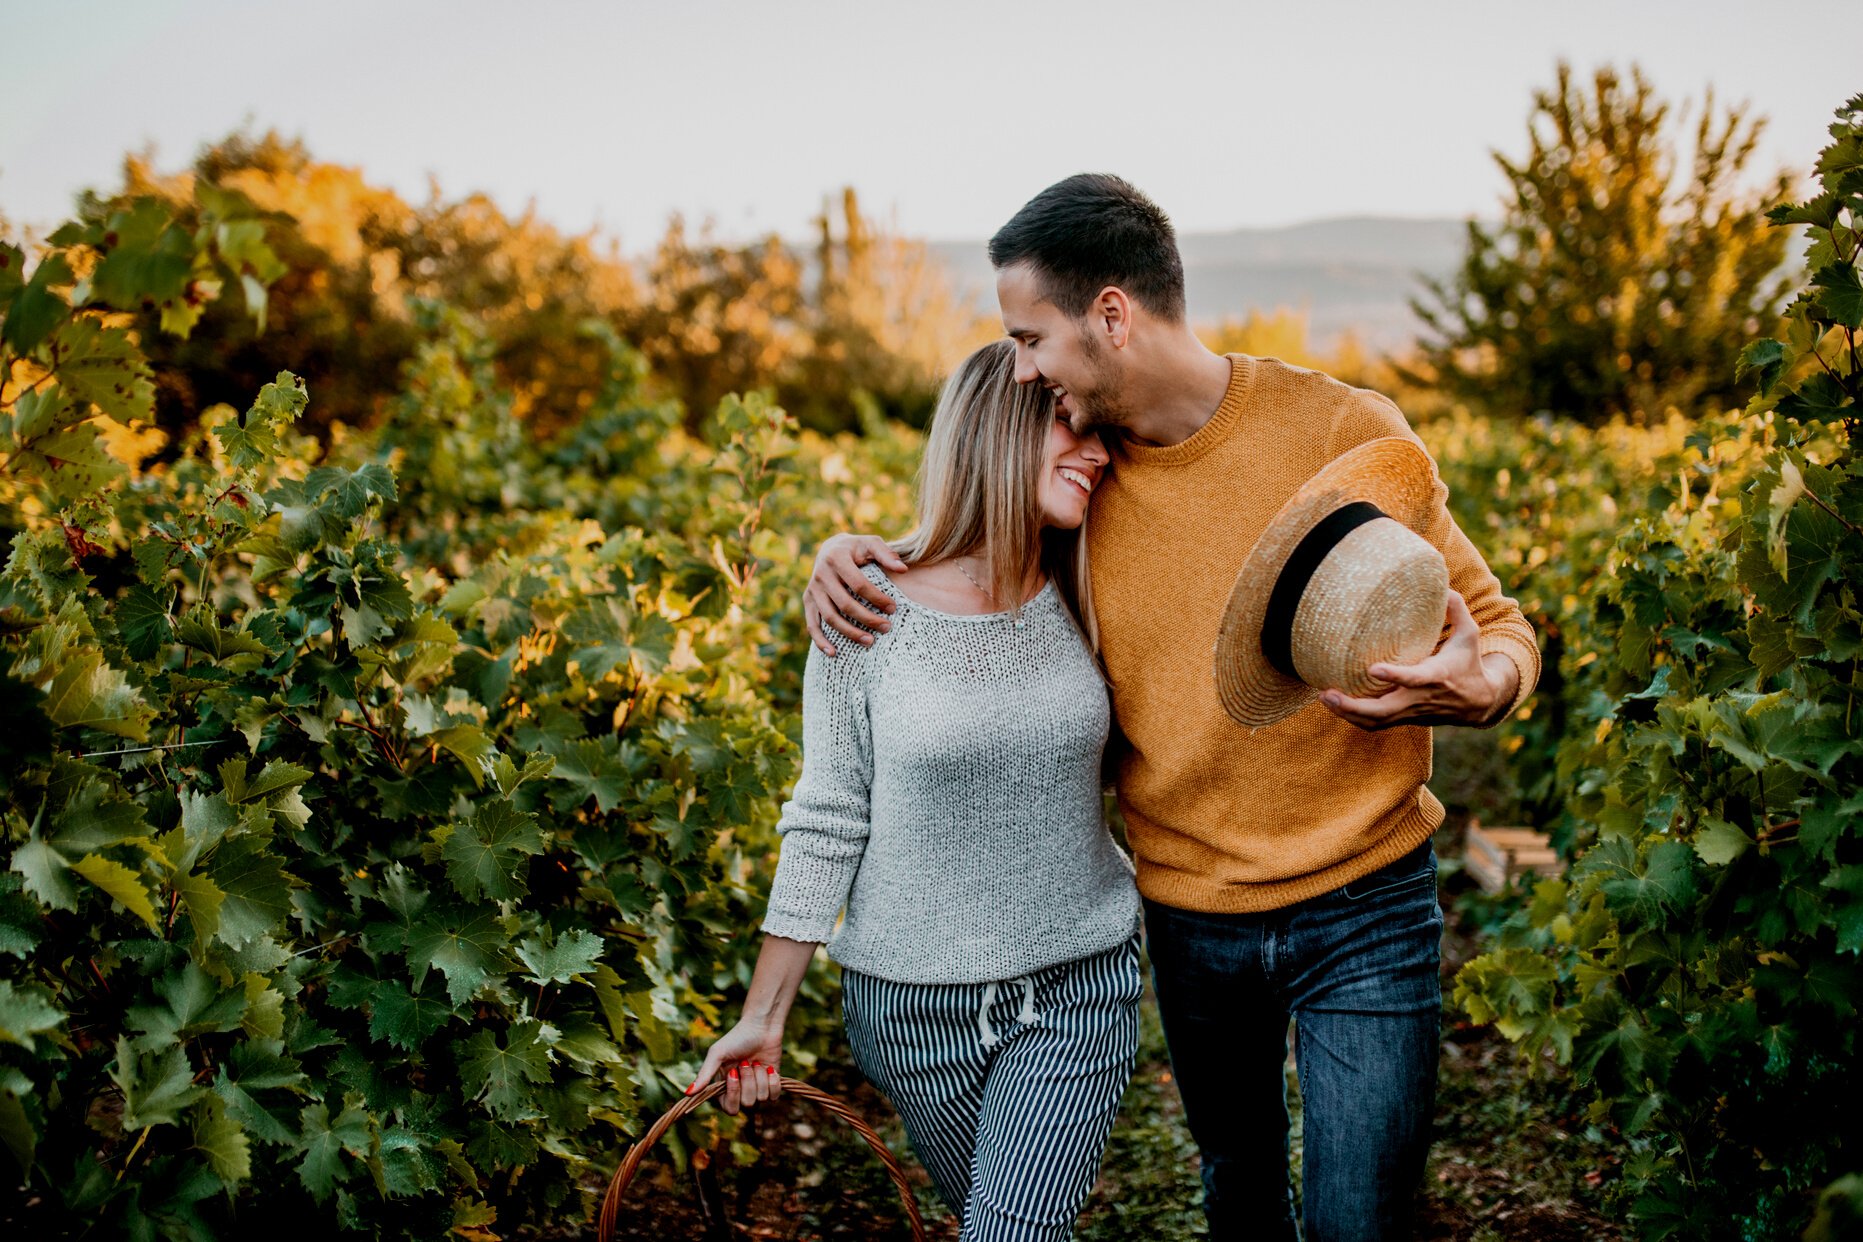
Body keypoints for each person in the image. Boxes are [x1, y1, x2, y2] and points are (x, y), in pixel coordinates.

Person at [805, 174, 1541, 1241]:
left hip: (1368, 896)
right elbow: (967, 566)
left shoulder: (1342, 429)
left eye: (1031, 336)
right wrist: (844, 557)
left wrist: (1489, 683)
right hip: (1193, 916)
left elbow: (1497, 624)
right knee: (1239, 1192)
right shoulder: (1080, 486)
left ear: (1112, 314)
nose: (1022, 368)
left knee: (1360, 1220)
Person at [690, 339, 1144, 1242]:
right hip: (908, 1011)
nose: (1095, 448)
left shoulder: (1093, 583)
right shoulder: (866, 604)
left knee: (1010, 1232)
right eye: (1068, 421)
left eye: (1102, 432)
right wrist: (761, 1019)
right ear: (993, 427)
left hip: (1077, 984)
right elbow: (827, 815)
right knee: (994, 1221)